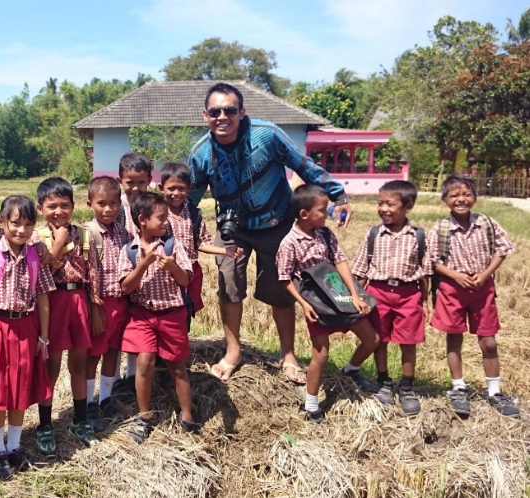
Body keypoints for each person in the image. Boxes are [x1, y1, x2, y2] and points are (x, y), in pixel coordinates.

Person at [187, 82, 353, 383]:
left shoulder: (268, 135)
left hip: (277, 223)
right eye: (215, 111)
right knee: (229, 284)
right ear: (205, 115)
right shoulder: (200, 154)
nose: (222, 116)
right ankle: (233, 350)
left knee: (281, 290)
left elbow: (304, 166)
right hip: (232, 228)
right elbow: (190, 200)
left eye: (229, 110)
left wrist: (338, 196)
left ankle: (287, 353)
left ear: (242, 111)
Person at [0, 195, 55, 480]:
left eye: (28, 224)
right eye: (15, 223)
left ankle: (15, 446)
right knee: (1, 390)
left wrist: (43, 336)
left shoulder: (35, 255)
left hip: (26, 328)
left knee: (21, 388)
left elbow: (42, 297)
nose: (21, 230)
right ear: (1, 222)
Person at [276, 185, 378, 423]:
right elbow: (284, 278)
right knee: (320, 355)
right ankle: (311, 403)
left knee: (372, 339)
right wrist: (303, 304)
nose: (328, 213)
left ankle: (351, 369)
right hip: (317, 304)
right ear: (304, 214)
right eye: (323, 210)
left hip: (339, 293)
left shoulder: (326, 234)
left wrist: (354, 294)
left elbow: (340, 261)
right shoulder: (289, 243)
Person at [428, 175, 519, 418]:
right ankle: (458, 387)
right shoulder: (441, 228)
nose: (461, 199)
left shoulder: (487, 223)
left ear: (475, 197)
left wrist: (486, 273)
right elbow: (433, 261)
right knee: (454, 338)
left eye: (466, 194)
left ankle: (494, 391)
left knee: (488, 341)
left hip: (483, 288)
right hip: (452, 290)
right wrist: (455, 275)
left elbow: (502, 250)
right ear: (445, 199)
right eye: (454, 195)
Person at [118, 192, 200, 442]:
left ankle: (188, 417)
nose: (167, 222)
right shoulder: (130, 250)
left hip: (172, 315)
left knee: (177, 366)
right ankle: (144, 417)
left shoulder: (173, 246)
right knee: (144, 363)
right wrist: (143, 264)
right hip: (142, 316)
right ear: (142, 220)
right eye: (161, 218)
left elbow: (186, 279)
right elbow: (125, 288)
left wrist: (172, 266)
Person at [349, 181, 430, 416]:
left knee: (408, 342)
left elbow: (425, 273)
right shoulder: (374, 234)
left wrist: (425, 301)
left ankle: (406, 386)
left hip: (408, 294)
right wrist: (356, 297)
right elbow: (361, 269)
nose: (383, 208)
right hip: (378, 294)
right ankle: (383, 381)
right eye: (380, 203)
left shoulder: (418, 236)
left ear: (408, 207)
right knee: (380, 339)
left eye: (389, 204)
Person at [31, 177, 99, 454]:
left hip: (79, 300)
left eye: (64, 206)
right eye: (51, 207)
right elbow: (41, 273)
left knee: (80, 365)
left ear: (73, 206)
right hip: (52, 301)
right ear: (40, 208)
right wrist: (58, 242)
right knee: (51, 366)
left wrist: (96, 305)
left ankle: (80, 420)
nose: (58, 212)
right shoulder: (36, 238)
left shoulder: (85, 235)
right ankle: (45, 424)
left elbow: (94, 272)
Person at [158, 162, 243, 329]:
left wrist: (224, 250)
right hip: (165, 270)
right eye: (171, 188)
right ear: (162, 188)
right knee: (166, 310)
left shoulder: (193, 214)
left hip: (190, 270)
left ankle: (182, 345)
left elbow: (202, 242)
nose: (176, 193)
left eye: (181, 188)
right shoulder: (157, 212)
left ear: (189, 188)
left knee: (186, 308)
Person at [85, 176, 130, 427]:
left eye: (114, 203)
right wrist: (94, 307)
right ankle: (89, 402)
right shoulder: (88, 234)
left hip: (121, 303)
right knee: (94, 354)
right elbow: (87, 274)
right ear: (90, 203)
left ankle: (106, 398)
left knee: (113, 351)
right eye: (101, 203)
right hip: (101, 305)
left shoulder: (123, 232)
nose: (108, 209)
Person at [112, 152, 153, 396]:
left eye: (140, 182)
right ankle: (114, 377)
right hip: (121, 269)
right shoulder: (115, 205)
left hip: (143, 269)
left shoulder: (152, 204)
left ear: (149, 179)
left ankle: (132, 375)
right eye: (130, 182)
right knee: (117, 325)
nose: (135, 187)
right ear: (120, 180)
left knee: (136, 323)